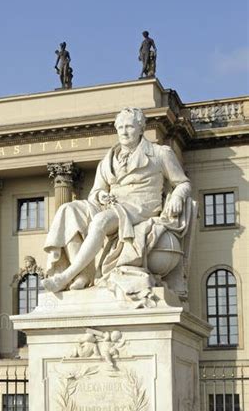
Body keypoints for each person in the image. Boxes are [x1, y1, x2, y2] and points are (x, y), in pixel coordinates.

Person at [42, 107, 191, 297]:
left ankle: (67, 275)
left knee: (101, 221)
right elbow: (96, 191)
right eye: (120, 127)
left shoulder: (160, 153)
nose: (124, 131)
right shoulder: (108, 159)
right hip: (111, 204)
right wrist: (100, 196)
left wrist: (178, 196)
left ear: (141, 128)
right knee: (67, 210)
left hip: (140, 206)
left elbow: (183, 183)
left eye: (129, 126)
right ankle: (84, 274)